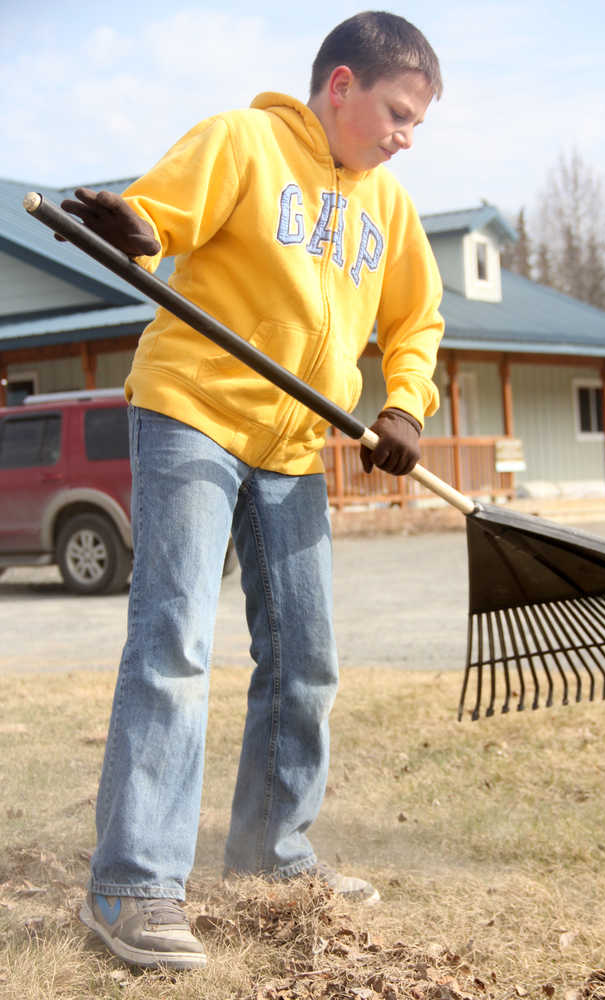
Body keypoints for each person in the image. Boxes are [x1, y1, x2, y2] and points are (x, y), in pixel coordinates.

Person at [61, 10, 444, 970]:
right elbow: (158, 217)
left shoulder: (388, 208)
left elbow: (416, 319)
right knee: (174, 645)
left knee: (306, 662)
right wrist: (134, 229)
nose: (405, 136)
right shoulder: (243, 139)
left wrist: (403, 407)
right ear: (343, 85)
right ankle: (131, 888)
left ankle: (271, 857)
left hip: (289, 446)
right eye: (398, 113)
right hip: (191, 410)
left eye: (418, 125)